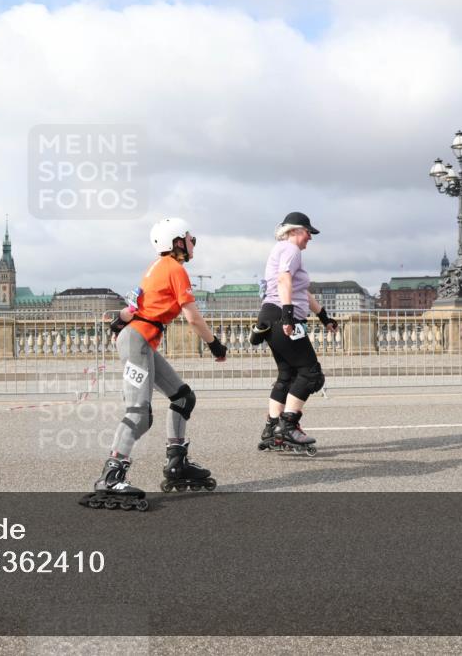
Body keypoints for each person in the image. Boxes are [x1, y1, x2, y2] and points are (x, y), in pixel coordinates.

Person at [82, 218, 227, 511]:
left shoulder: (155, 268)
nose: (193, 243)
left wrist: (118, 321)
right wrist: (214, 343)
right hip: (138, 343)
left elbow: (133, 308)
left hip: (139, 340)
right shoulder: (175, 269)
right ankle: (112, 475)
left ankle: (177, 462)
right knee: (139, 414)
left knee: (183, 397)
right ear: (176, 242)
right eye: (190, 238)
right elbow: (193, 317)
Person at [253, 212, 337, 456]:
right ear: (295, 230)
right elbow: (283, 279)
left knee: (287, 375)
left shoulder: (280, 249)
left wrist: (324, 317)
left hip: (270, 315)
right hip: (282, 315)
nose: (310, 237)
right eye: (308, 232)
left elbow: (303, 293)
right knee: (311, 374)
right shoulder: (291, 249)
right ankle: (288, 426)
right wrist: (288, 315)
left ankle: (272, 428)